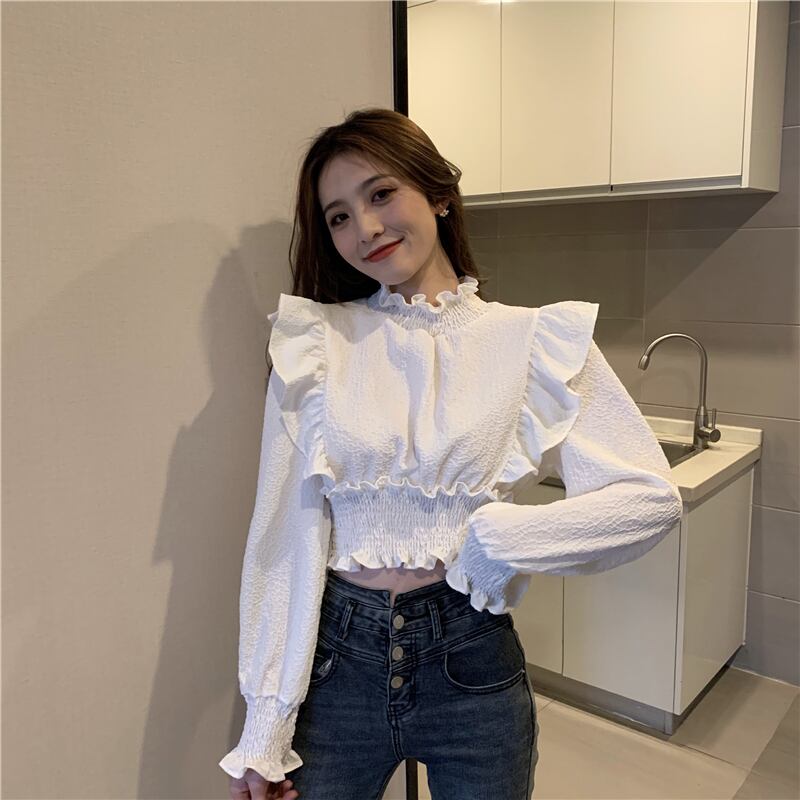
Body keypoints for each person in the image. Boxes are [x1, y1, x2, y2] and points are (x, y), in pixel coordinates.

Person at [219, 107, 684, 800]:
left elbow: (650, 499)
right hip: (336, 664)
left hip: (473, 659)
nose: (365, 228)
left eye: (381, 194)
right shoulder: (314, 343)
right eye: (338, 216)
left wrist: (502, 540)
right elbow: (284, 539)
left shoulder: (534, 341)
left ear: (439, 194)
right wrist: (265, 730)